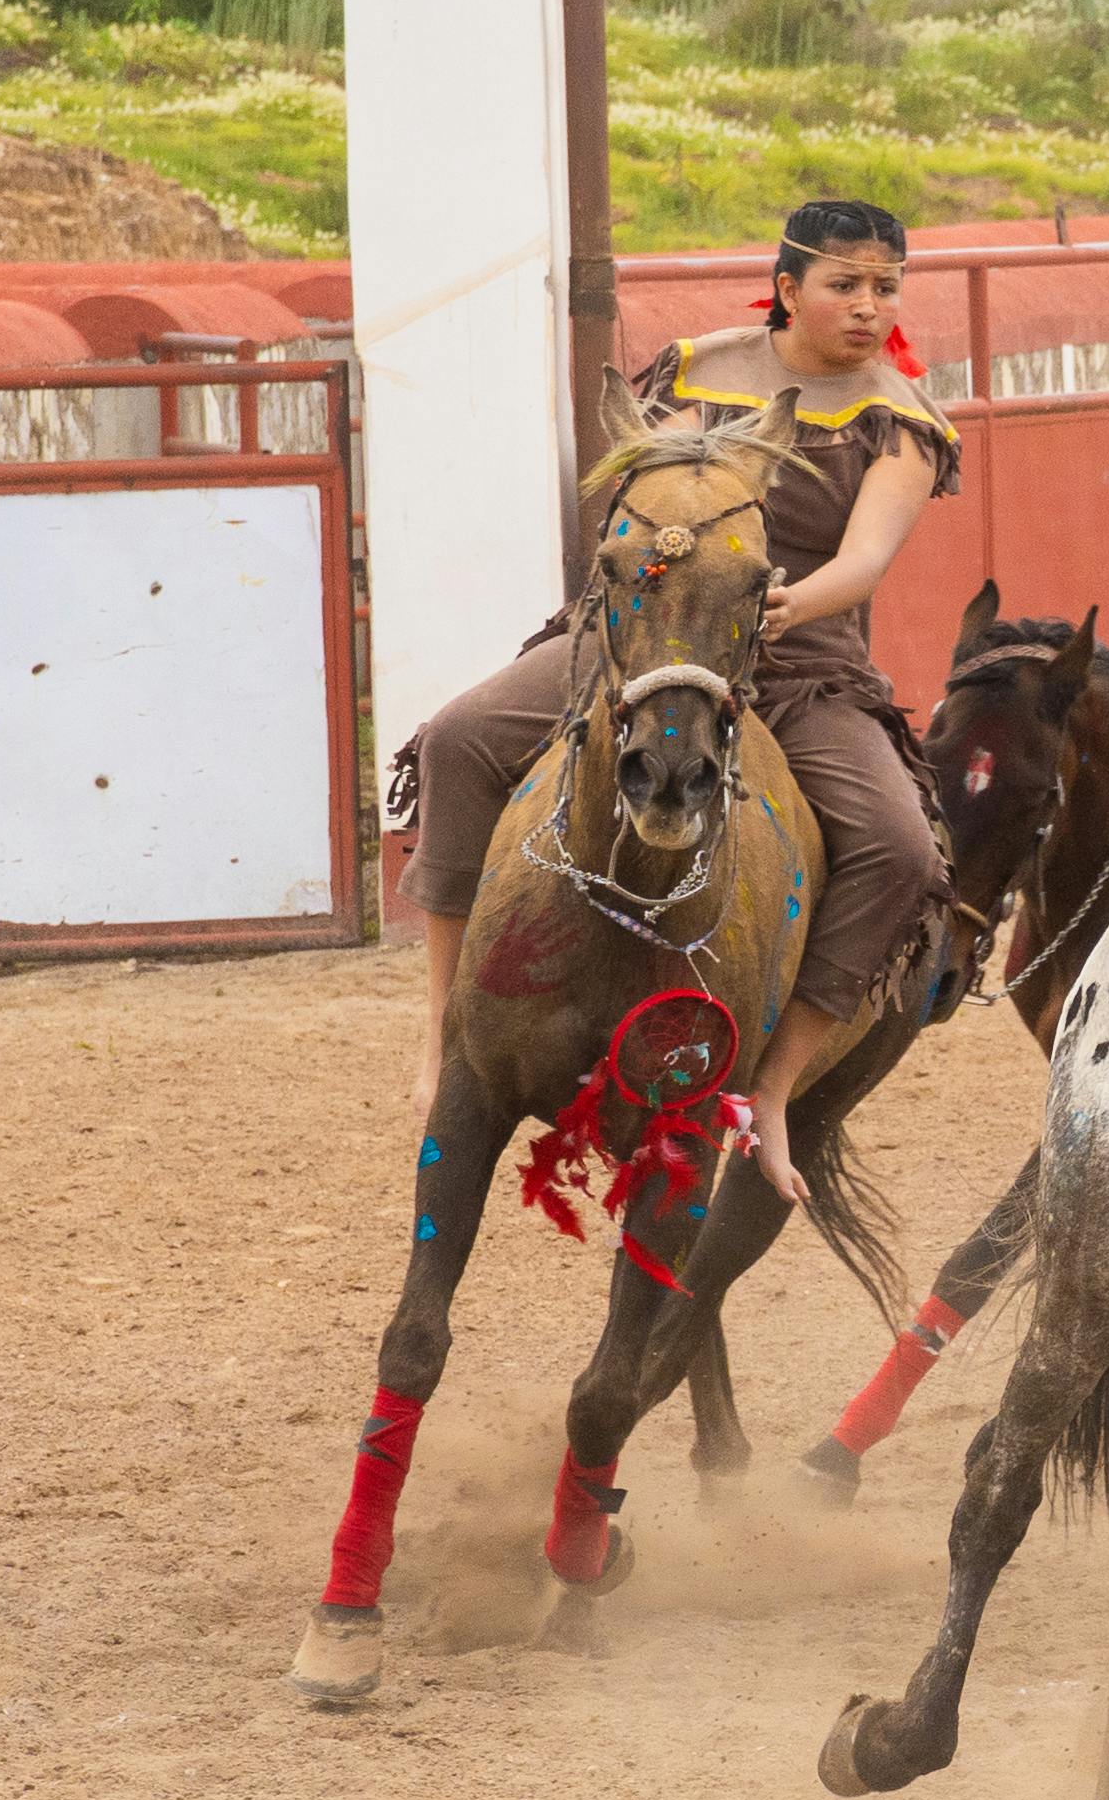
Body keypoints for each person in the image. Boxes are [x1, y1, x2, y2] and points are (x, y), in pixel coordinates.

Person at [400, 200, 954, 1202]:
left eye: (885, 289)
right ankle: (445, 1027)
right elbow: (653, 498)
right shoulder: (701, 371)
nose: (869, 307)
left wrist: (770, 601)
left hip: (800, 657)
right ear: (787, 288)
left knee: (901, 846)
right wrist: (675, 574)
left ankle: (773, 1087)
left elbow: (864, 561)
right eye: (846, 285)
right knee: (459, 739)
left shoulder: (901, 418)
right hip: (657, 641)